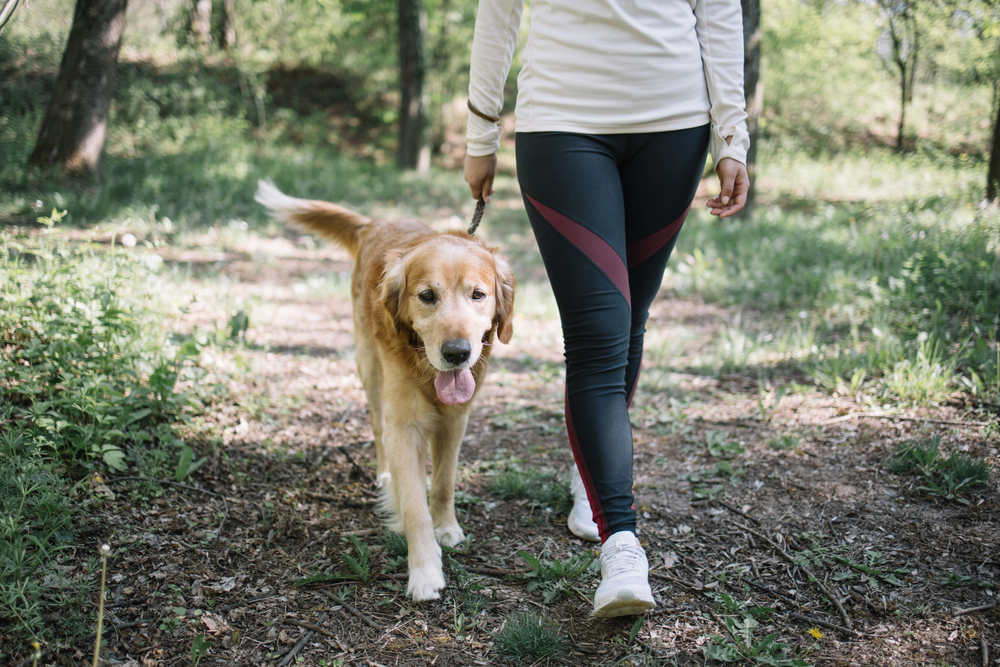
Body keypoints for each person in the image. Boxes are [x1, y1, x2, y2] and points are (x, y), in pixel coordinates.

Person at [464, 0, 750, 617]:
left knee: (629, 319)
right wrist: (479, 131)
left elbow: (720, 10)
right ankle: (622, 545)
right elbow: (498, 11)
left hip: (674, 128)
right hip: (563, 126)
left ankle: (586, 469)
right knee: (599, 334)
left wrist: (732, 133)